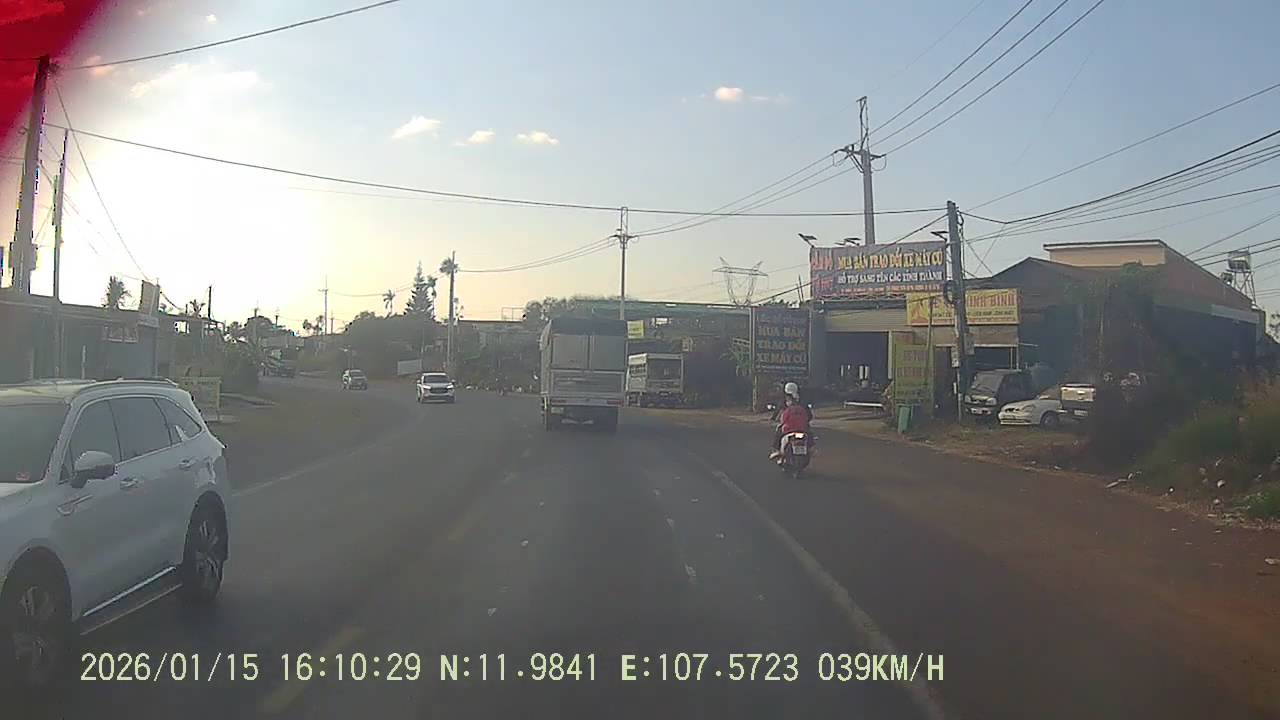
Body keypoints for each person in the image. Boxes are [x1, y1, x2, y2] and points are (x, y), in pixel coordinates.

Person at [770, 384, 812, 460]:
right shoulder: (802, 402)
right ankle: (812, 447)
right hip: (802, 428)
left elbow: (778, 414)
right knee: (809, 431)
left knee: (779, 430)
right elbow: (809, 415)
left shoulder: (783, 402)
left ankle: (776, 449)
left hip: (788, 428)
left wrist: (773, 418)